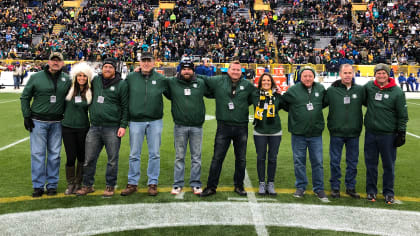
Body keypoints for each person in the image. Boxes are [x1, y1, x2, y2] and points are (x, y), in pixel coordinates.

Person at [200, 61, 257, 197]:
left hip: (241, 126)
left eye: (238, 70)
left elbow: (255, 98)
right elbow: (202, 78)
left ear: (241, 71)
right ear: (228, 70)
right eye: (233, 69)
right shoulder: (218, 80)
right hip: (223, 126)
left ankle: (239, 185)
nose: (236, 72)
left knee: (241, 159)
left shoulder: (247, 85)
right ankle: (211, 186)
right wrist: (184, 73)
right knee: (217, 158)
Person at [76, 58, 128, 197]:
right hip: (95, 127)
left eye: (110, 67)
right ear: (102, 68)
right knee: (89, 159)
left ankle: (110, 186)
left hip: (112, 127)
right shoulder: (95, 81)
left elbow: (125, 107)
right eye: (105, 67)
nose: (107, 69)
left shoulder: (122, 85)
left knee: (112, 160)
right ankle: (87, 185)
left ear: (115, 69)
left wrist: (123, 125)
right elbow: (81, 81)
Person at [20, 52, 71, 197]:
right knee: (37, 154)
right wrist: (26, 116)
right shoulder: (36, 77)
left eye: (58, 60)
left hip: (57, 122)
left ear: (62, 63)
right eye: (53, 60)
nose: (55, 63)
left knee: (55, 155)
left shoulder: (67, 79)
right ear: (48, 62)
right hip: (38, 122)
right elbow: (25, 97)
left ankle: (52, 185)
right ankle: (38, 186)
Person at [121, 52, 167, 197]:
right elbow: (122, 95)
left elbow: (173, 92)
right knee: (134, 154)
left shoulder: (161, 79)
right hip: (136, 121)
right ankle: (132, 183)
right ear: (139, 63)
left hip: (155, 121)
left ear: (154, 63)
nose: (146, 63)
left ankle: (152, 183)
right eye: (144, 61)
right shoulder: (131, 78)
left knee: (155, 154)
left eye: (149, 61)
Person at [282, 66, 328, 201]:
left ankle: (318, 188)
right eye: (305, 76)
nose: (307, 78)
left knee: (318, 162)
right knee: (299, 161)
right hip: (298, 133)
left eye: (310, 76)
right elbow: (284, 104)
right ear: (300, 77)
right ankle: (301, 186)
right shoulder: (293, 90)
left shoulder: (320, 89)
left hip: (315, 133)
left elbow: (324, 103)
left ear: (314, 77)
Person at [363, 63, 408, 204]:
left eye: (384, 73)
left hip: (388, 135)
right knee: (371, 164)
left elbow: (403, 115)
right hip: (371, 133)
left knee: (388, 165)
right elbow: (361, 98)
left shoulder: (397, 92)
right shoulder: (369, 87)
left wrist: (401, 132)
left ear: (388, 74)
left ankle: (388, 192)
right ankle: (371, 191)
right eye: (378, 73)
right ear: (375, 74)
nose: (381, 75)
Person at [166, 59, 211, 195]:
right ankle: (177, 183)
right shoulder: (172, 83)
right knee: (180, 156)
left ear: (193, 71)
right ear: (180, 70)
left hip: (197, 126)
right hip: (180, 126)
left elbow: (214, 89)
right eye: (184, 69)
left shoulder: (201, 83)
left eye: (189, 69)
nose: (186, 71)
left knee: (196, 156)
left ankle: (195, 183)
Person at [324, 64, 365, 199]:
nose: (347, 75)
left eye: (350, 73)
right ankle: (335, 187)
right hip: (336, 132)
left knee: (352, 162)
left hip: (354, 133)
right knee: (335, 162)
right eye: (345, 73)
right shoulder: (332, 91)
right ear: (340, 74)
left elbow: (372, 104)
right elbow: (319, 103)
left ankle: (350, 187)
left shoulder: (360, 90)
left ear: (353, 74)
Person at [62, 62, 93, 195]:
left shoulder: (90, 91)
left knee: (81, 157)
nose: (81, 78)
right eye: (79, 75)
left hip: (83, 128)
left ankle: (78, 182)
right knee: (70, 157)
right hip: (67, 127)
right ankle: (70, 183)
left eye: (84, 76)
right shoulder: (68, 88)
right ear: (75, 76)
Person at [253, 73, 283, 195]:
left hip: (275, 131)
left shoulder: (277, 96)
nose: (266, 82)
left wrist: (281, 94)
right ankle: (261, 183)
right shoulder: (254, 95)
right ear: (260, 82)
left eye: (268, 80)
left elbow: (286, 106)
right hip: (259, 130)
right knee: (260, 158)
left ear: (272, 83)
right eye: (264, 80)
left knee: (272, 158)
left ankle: (270, 183)